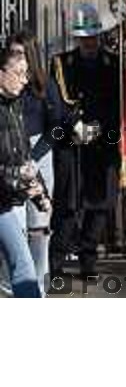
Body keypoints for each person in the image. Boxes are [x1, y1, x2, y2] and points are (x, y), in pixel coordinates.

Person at [49, 3, 121, 279]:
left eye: (93, 36)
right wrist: (73, 124)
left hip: (102, 143)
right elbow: (54, 103)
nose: (88, 42)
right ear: (76, 38)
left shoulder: (113, 63)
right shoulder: (61, 63)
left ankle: (88, 261)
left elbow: (120, 103)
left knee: (99, 204)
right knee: (67, 205)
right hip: (72, 143)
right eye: (83, 37)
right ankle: (55, 262)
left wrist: (101, 127)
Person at [6, 30, 64, 296]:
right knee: (15, 231)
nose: (18, 60)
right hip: (12, 161)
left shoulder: (45, 85)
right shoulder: (8, 92)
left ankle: (38, 284)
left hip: (38, 155)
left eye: (21, 54)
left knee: (39, 227)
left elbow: (58, 126)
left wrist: (36, 155)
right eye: (12, 54)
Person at [0, 46, 50, 297]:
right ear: (1, 73)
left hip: (4, 204)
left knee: (24, 268)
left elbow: (24, 157)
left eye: (26, 73)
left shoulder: (14, 106)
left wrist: (40, 194)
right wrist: (16, 175)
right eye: (18, 73)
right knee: (23, 268)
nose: (24, 80)